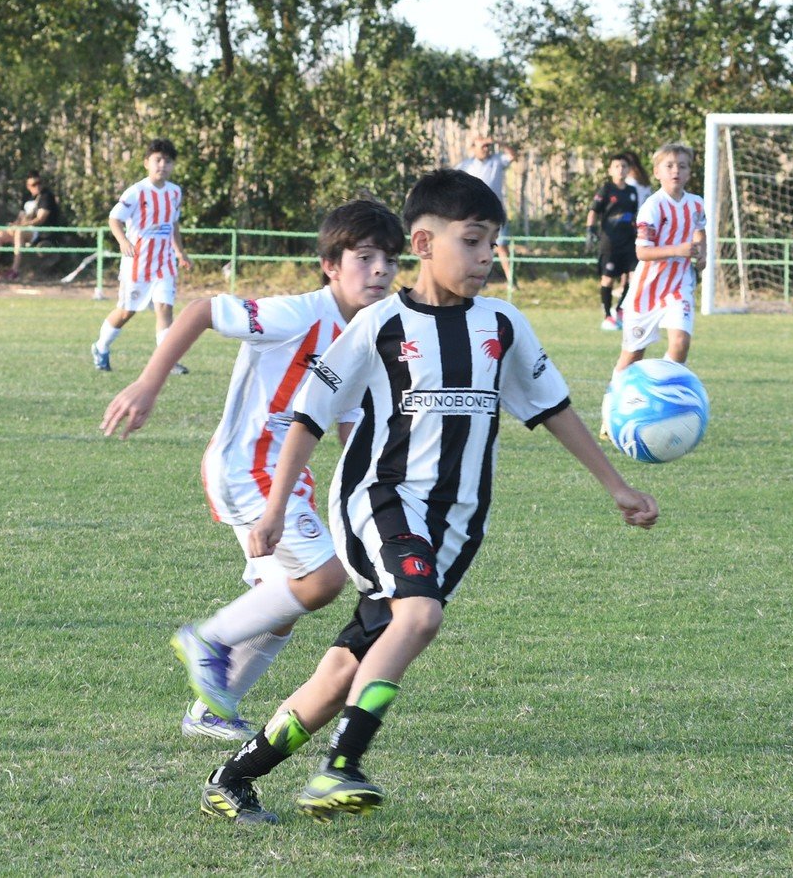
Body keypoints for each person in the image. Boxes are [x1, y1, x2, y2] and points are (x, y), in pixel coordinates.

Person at [196, 168, 659, 826]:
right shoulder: (380, 323)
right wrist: (273, 512)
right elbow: (309, 412)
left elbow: (552, 406)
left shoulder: (502, 324)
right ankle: (340, 767)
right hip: (378, 500)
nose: (485, 257)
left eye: (492, 243)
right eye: (471, 241)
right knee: (418, 617)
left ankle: (233, 778)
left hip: (456, 525)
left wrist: (616, 485)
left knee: (339, 672)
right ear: (423, 240)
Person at [100, 200, 405, 742]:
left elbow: (348, 425)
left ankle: (212, 711)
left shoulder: (365, 334)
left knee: (282, 601)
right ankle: (207, 640)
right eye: (364, 256)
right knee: (322, 580)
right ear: (331, 264)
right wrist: (149, 384)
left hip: (285, 477)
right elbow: (199, 311)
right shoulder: (298, 314)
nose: (380, 269)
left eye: (389, 258)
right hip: (246, 467)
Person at [600, 142, 707, 437]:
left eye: (682, 166)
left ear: (689, 172)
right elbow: (643, 253)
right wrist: (681, 249)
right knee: (632, 356)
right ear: (658, 171)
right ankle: (612, 410)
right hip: (647, 291)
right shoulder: (652, 206)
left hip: (679, 286)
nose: (676, 170)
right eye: (669, 166)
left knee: (680, 343)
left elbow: (700, 229)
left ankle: (661, 398)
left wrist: (703, 254)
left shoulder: (696, 202)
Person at [90, 139, 192, 373]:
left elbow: (173, 223)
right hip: (137, 263)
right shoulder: (136, 192)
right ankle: (101, 346)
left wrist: (179, 251)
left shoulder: (175, 192)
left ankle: (166, 363)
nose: (162, 165)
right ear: (147, 163)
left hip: (164, 263)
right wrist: (123, 241)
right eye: (158, 160)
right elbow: (114, 219)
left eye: (167, 161)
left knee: (165, 309)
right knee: (127, 311)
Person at [585, 152, 642, 330]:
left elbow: (635, 215)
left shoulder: (632, 192)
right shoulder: (607, 189)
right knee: (608, 280)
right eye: (617, 166)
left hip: (629, 242)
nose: (620, 169)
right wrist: (590, 231)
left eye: (624, 166)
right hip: (610, 242)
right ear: (610, 170)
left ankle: (620, 309)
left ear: (628, 170)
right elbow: (593, 211)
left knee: (634, 277)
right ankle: (607, 316)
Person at [454, 134, 517, 288]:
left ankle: (511, 282)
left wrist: (497, 141)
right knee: (474, 246)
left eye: (488, 146)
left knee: (501, 246)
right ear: (473, 148)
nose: (486, 149)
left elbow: (513, 155)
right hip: (474, 214)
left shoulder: (497, 161)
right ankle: (477, 280)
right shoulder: (466, 166)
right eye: (482, 146)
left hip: (496, 212)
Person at [0, 172, 58, 279]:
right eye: (34, 184)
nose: (37, 186)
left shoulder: (46, 196)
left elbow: (40, 219)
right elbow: (20, 217)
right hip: (24, 228)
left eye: (39, 183)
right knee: (0, 234)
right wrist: (14, 225)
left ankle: (14, 270)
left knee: (19, 232)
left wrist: (21, 226)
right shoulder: (26, 197)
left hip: (40, 232)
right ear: (28, 186)